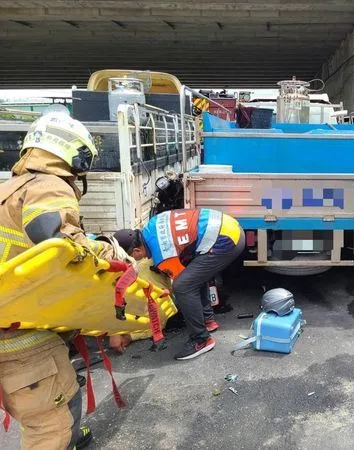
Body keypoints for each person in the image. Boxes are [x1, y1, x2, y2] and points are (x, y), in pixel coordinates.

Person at [0, 110, 123, 449]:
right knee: (47, 428)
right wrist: (108, 254)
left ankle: (71, 436)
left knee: (57, 397)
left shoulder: (8, 188)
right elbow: (54, 240)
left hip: (16, 315)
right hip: (19, 337)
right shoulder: (48, 184)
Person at [113, 208, 245, 361]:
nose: (132, 261)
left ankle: (201, 339)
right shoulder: (151, 226)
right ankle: (208, 320)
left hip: (225, 240)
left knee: (183, 286)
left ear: (136, 250)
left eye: (130, 257)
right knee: (191, 277)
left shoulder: (162, 253)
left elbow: (180, 286)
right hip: (229, 226)